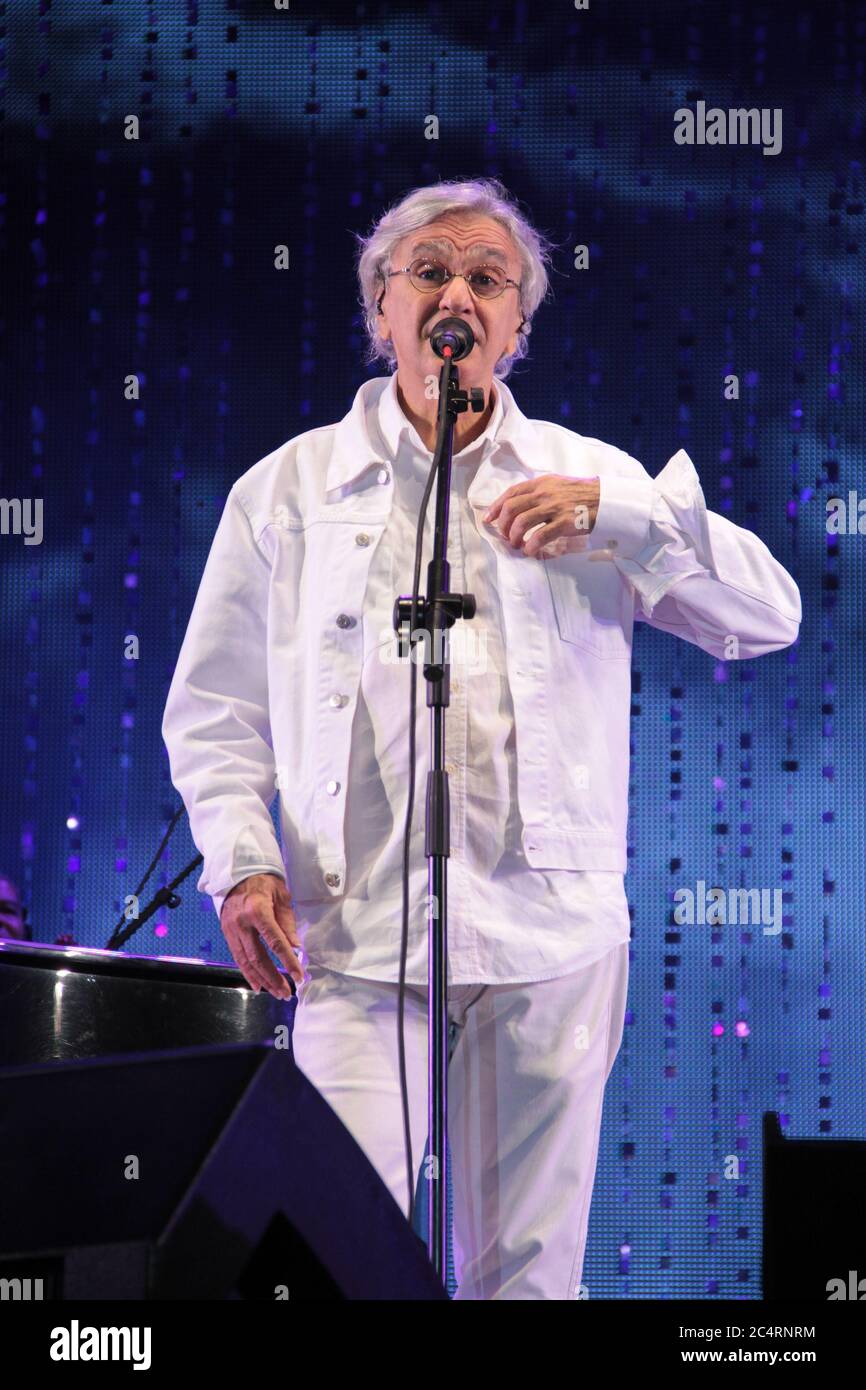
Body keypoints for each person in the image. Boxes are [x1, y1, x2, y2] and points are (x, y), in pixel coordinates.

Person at [161, 177, 801, 1300]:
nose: (455, 290)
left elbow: (767, 617)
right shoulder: (289, 491)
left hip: (547, 937)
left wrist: (627, 516)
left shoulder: (584, 478)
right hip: (355, 941)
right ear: (380, 306)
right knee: (325, 1258)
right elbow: (215, 706)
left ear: (516, 324)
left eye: (485, 278)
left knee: (527, 1278)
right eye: (429, 269)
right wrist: (242, 860)